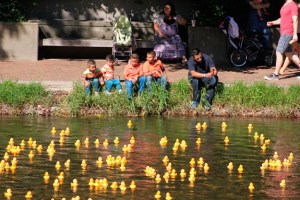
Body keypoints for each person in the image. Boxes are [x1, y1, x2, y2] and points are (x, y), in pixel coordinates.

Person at [264, 0, 300, 81]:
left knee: (279, 52)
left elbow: (295, 19)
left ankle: (275, 75)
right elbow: (283, 19)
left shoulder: (293, 5)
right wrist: (273, 22)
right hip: (284, 32)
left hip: (288, 33)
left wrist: (295, 34)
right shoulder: (285, 4)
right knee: (290, 53)